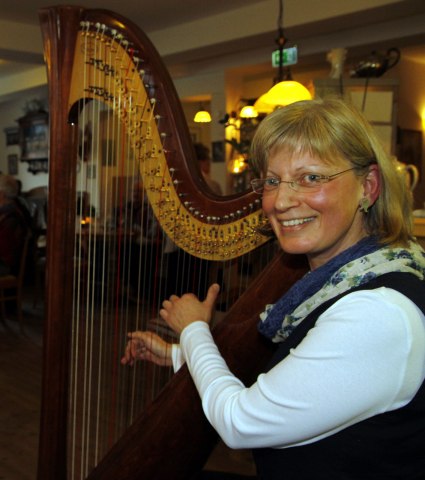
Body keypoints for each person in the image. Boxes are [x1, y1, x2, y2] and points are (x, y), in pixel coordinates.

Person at [121, 97, 425, 479]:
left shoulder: (377, 313)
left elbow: (240, 423)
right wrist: (180, 354)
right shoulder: (338, 281)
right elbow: (304, 380)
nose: (281, 201)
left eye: (311, 177)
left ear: (368, 185)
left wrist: (195, 329)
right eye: (272, 180)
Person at [0, 175, 31, 276]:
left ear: (2, 194)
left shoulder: (11, 217)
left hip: (6, 267)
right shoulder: (14, 209)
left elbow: (4, 249)